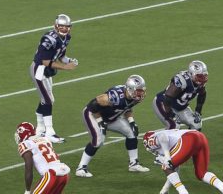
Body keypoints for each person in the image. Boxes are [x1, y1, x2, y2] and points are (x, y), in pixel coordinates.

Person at [75, 75, 150, 177]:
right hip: (93, 114)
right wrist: (101, 122)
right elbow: (93, 106)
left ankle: (133, 164)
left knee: (132, 132)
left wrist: (131, 121)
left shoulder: (134, 97)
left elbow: (127, 107)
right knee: (98, 140)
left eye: (141, 90)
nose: (141, 93)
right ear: (130, 89)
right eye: (138, 90)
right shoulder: (115, 96)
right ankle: (81, 168)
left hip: (111, 116)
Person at [31, 14, 79, 143]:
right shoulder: (48, 39)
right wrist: (66, 67)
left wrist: (69, 60)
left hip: (47, 70)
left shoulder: (66, 37)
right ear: (56, 26)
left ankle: (40, 129)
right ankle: (49, 132)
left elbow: (61, 55)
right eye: (61, 26)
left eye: (66, 26)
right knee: (47, 100)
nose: (64, 29)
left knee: (48, 99)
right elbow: (45, 61)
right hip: (39, 69)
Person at [142, 129, 223, 194]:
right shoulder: (170, 141)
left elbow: (162, 136)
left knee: (166, 166)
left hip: (188, 139)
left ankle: (183, 192)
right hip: (200, 136)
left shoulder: (154, 137)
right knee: (201, 174)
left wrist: (167, 156)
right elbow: (174, 170)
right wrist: (164, 190)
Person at [16, 122, 71, 194]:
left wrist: (27, 190)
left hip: (51, 174)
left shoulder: (25, 144)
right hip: (64, 175)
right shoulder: (45, 139)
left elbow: (28, 166)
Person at [152, 61, 208, 130]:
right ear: (191, 74)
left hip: (180, 108)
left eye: (204, 76)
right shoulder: (183, 80)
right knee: (174, 126)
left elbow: (202, 94)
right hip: (163, 103)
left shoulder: (199, 83)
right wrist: (171, 114)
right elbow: (167, 97)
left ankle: (188, 140)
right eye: (199, 76)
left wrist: (198, 111)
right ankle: (153, 139)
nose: (202, 79)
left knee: (197, 124)